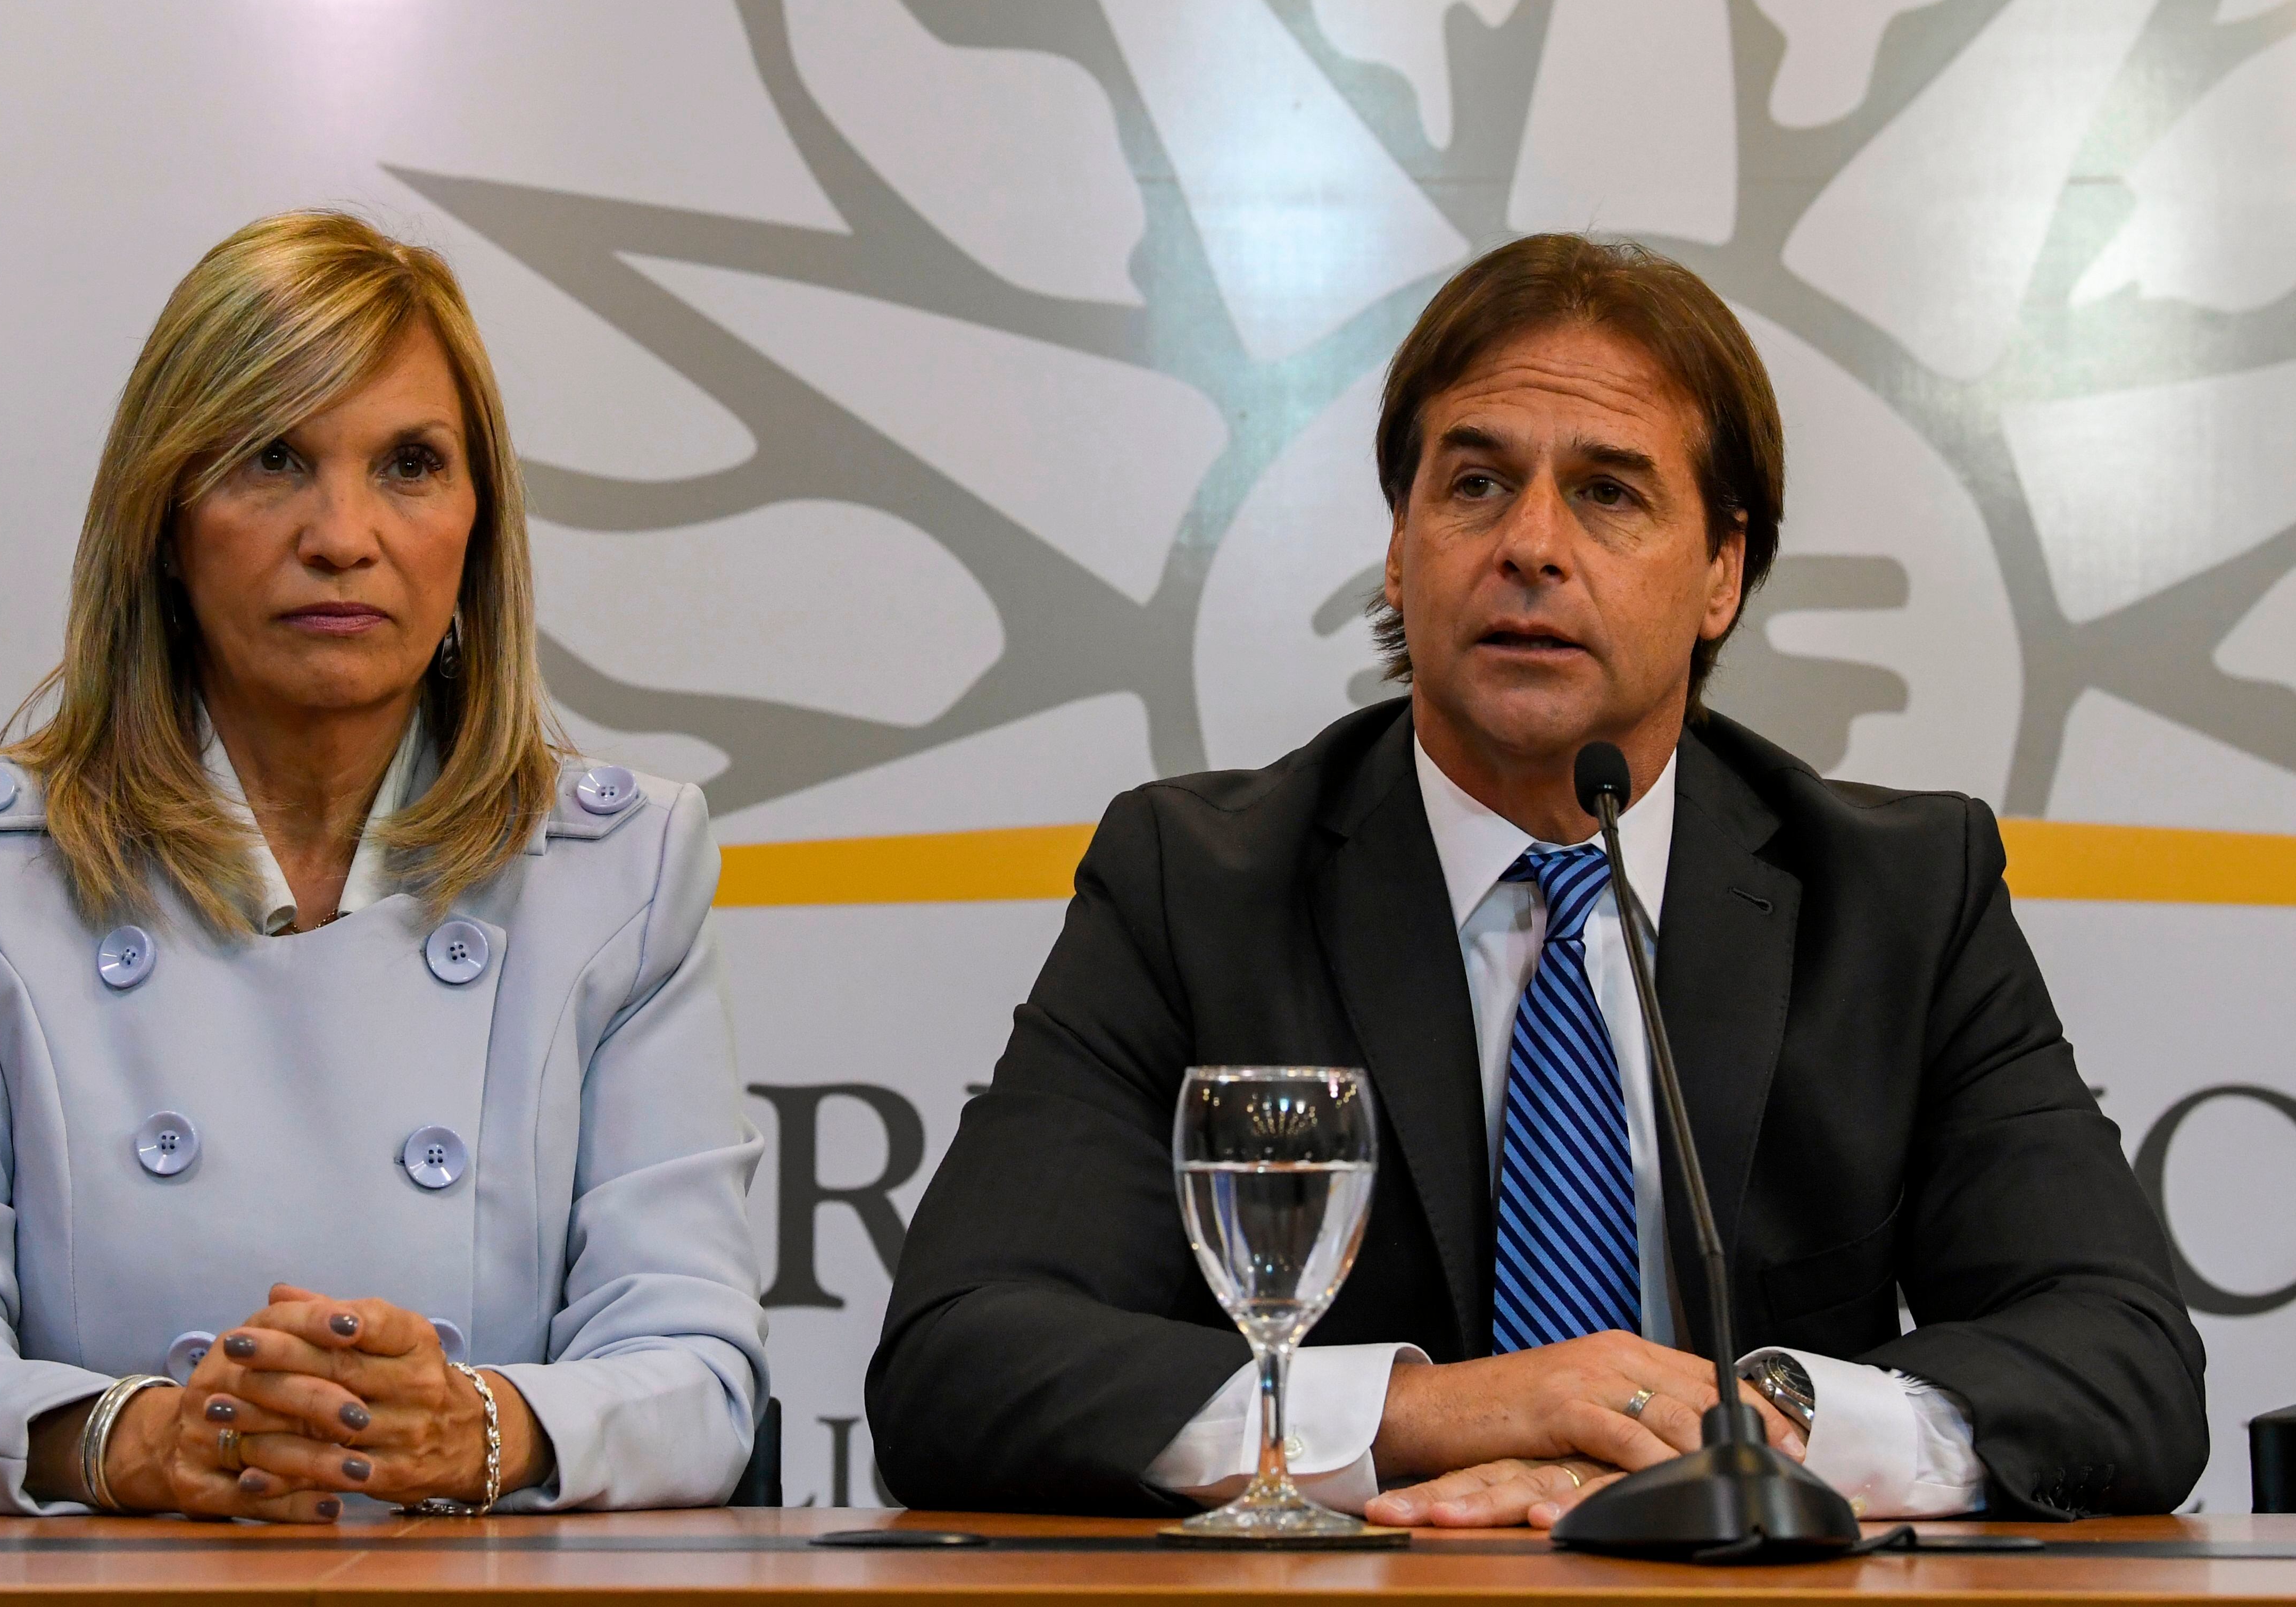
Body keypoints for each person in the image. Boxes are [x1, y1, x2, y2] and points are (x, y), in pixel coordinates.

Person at [867, 234, 2206, 1526]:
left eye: (1611, 492)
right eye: (1476, 485)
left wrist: (1755, 1420)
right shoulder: (1199, 886)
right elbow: (960, 1359)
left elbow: (2125, 1360)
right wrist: (1431, 1411)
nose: (1532, 546)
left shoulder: (1900, 895)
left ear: (1723, 572)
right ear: (1401, 547)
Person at [0, 211, 766, 1521]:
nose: (343, 534)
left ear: (479, 525)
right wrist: (135, 1440)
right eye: (271, 459)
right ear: (164, 517)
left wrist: (477, 1425)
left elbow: (698, 1369)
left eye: (411, 464)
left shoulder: (625, 862)